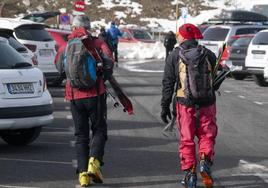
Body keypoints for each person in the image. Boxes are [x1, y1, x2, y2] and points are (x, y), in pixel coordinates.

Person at [161, 23, 218, 188]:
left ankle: (190, 174)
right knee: (207, 135)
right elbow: (216, 79)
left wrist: (165, 106)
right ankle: (205, 161)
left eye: (179, 34)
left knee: (187, 139)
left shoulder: (174, 55)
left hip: (184, 104)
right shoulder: (207, 54)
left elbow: (168, 83)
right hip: (207, 103)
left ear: (183, 37)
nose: (177, 37)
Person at [65, 15, 114, 187]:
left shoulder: (67, 44)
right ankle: (94, 163)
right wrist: (102, 77)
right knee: (100, 130)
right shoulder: (98, 43)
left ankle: (83, 175)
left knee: (81, 136)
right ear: (89, 27)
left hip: (74, 96)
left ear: (74, 27)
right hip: (95, 94)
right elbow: (109, 63)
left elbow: (59, 66)